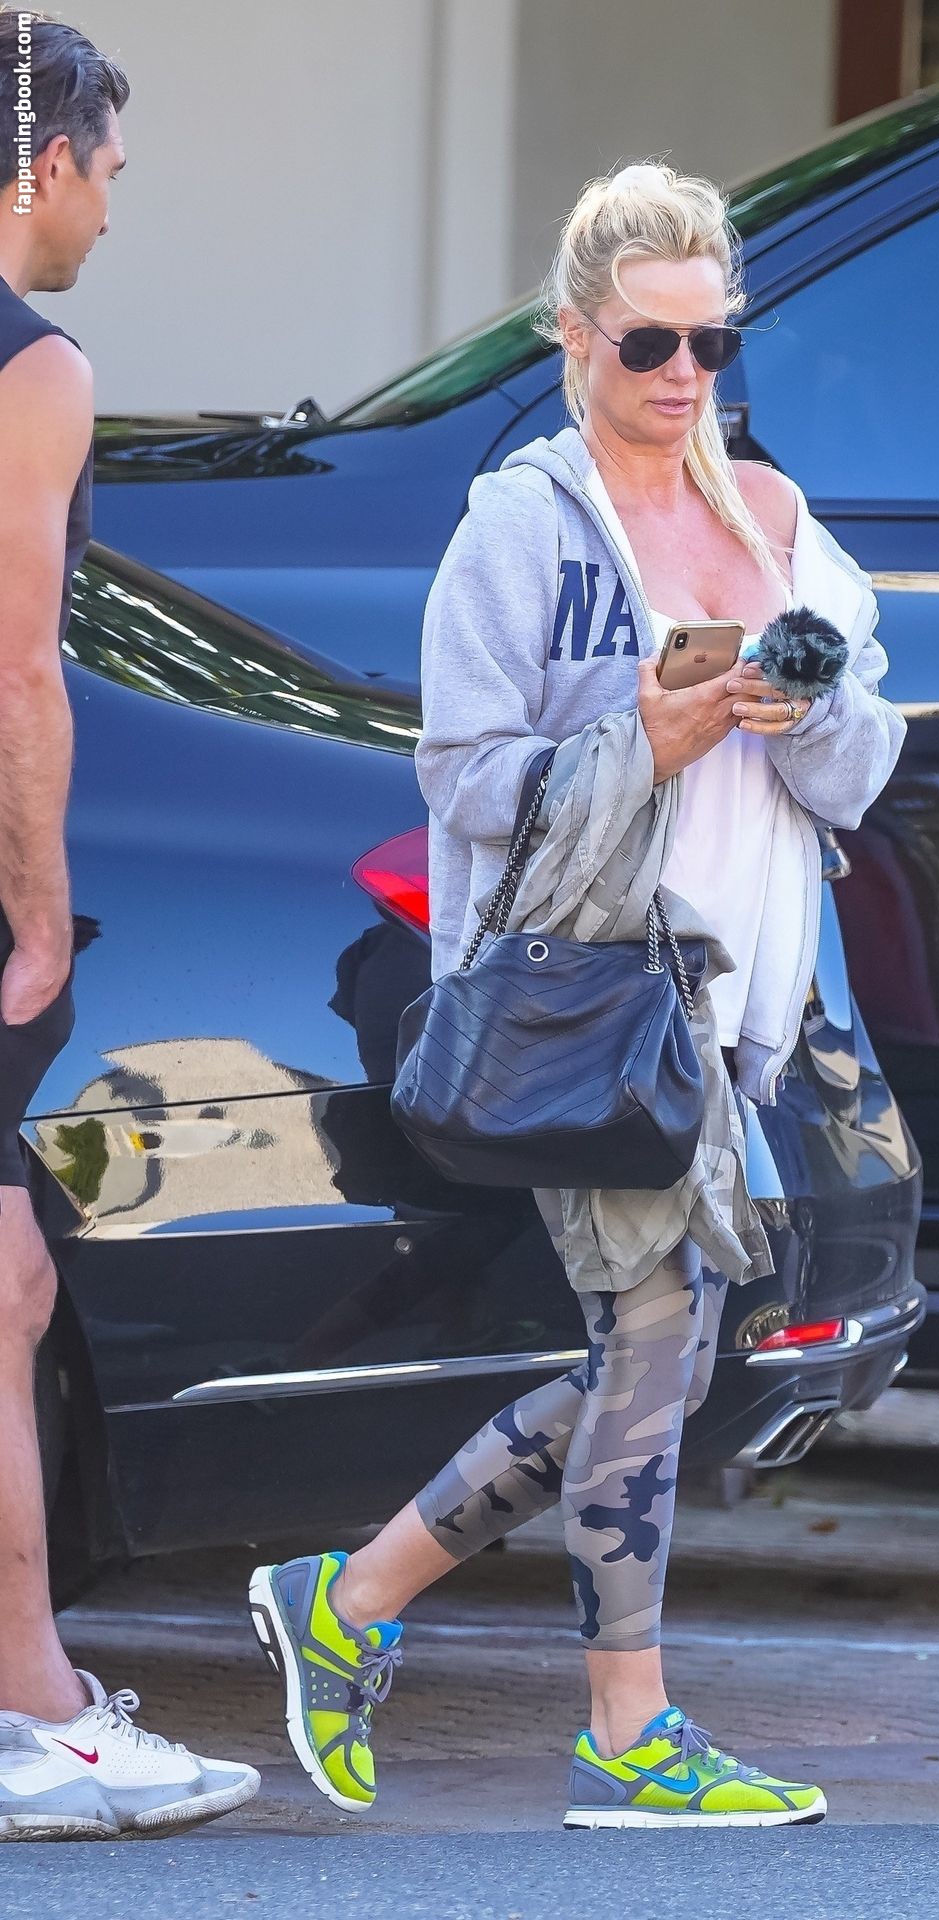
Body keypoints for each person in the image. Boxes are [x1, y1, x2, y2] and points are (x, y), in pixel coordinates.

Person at [251, 161, 906, 1830]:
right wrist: (645, 739)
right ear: (573, 338)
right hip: (594, 992)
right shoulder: (521, 527)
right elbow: (464, 773)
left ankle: (349, 1602)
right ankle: (625, 1726)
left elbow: (863, 764)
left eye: (711, 341)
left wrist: (804, 713)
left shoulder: (767, 515)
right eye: (647, 343)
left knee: (656, 1360)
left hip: (738, 1002)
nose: (684, 374)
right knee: (658, 1338)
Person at [0, 9, 259, 1840]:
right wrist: (35, 915)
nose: (109, 208)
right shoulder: (32, 367)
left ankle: (37, 1697)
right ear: (44, 164)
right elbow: (19, 667)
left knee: (8, 1279)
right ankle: (36, 1716)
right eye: (106, 173)